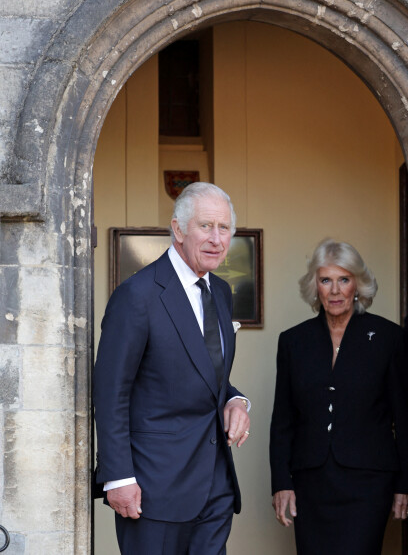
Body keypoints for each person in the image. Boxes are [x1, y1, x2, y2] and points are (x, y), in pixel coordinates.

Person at [93, 182, 250, 555]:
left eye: (224, 228)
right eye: (206, 226)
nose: (217, 238)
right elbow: (110, 390)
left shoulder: (222, 292)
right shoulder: (137, 295)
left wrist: (237, 400)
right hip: (153, 490)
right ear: (178, 229)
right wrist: (118, 477)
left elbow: (207, 373)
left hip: (216, 487)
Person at [269, 239, 408, 555]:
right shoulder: (293, 342)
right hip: (311, 482)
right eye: (326, 280)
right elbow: (283, 419)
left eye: (344, 280)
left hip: (369, 482)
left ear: (357, 285)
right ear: (315, 287)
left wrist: (405, 484)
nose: (335, 290)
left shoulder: (389, 338)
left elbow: (403, 418)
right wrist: (281, 482)